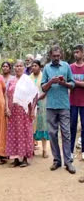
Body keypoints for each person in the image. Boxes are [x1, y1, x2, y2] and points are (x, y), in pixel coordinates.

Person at [41, 45, 76, 174]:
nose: (56, 58)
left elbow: (72, 84)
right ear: (51, 56)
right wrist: (51, 81)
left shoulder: (66, 66)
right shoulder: (46, 68)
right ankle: (56, 160)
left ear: (60, 55)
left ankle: (68, 162)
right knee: (52, 134)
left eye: (58, 56)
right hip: (50, 106)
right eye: (54, 56)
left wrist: (64, 83)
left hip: (64, 105)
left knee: (66, 134)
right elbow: (43, 88)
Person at [6, 60, 38, 167]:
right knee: (13, 134)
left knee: (24, 133)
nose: (18, 68)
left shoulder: (27, 80)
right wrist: (7, 108)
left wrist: (32, 110)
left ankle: (24, 158)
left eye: (20, 66)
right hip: (13, 112)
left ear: (24, 67)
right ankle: (15, 158)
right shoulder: (11, 80)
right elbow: (6, 95)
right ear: (14, 68)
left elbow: (35, 95)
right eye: (16, 66)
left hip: (24, 112)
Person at [30, 60, 49, 158]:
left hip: (43, 103)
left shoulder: (44, 76)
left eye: (35, 65)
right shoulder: (29, 78)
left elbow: (47, 90)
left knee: (43, 125)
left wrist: (39, 98)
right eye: (32, 66)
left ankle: (45, 150)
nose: (33, 67)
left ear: (39, 67)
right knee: (32, 125)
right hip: (31, 104)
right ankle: (31, 149)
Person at [70, 44, 84, 160]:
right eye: (75, 52)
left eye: (78, 52)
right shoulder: (70, 67)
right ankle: (70, 151)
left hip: (83, 102)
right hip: (73, 102)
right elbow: (69, 84)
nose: (76, 54)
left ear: (83, 53)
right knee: (72, 126)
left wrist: (75, 83)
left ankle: (83, 151)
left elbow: (72, 83)